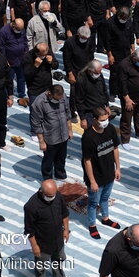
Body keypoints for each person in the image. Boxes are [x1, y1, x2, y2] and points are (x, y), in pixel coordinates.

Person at [82, 107, 122, 239]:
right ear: (94, 120)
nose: (105, 122)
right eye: (102, 120)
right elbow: (87, 161)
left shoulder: (110, 129)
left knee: (105, 198)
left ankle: (105, 218)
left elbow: (115, 148)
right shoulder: (88, 137)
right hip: (96, 177)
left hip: (109, 173)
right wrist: (92, 181)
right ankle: (92, 224)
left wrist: (118, 168)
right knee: (93, 203)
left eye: (107, 119)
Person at [24, 179, 71, 277]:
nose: (52, 198)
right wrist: (34, 246)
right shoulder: (31, 206)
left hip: (58, 239)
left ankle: (59, 276)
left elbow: (65, 214)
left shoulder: (57, 196)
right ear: (41, 192)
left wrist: (66, 230)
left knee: (59, 259)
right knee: (41, 266)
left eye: (53, 195)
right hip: (42, 243)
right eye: (49, 196)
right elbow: (29, 230)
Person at [30, 85, 73, 181]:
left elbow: (67, 113)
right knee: (48, 160)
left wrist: (69, 129)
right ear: (49, 93)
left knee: (61, 157)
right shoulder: (39, 102)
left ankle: (60, 174)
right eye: (56, 99)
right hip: (50, 137)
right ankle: (47, 178)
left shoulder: (63, 97)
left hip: (63, 134)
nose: (58, 101)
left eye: (59, 99)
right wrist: (41, 141)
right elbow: (36, 123)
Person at [118, 48, 139, 150]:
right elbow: (122, 84)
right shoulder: (124, 65)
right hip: (129, 97)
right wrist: (127, 99)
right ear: (134, 58)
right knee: (127, 118)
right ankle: (125, 140)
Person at [76, 60, 111, 130]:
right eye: (97, 73)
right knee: (90, 132)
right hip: (88, 111)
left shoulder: (99, 75)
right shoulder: (81, 80)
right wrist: (82, 118)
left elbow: (104, 90)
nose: (99, 74)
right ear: (90, 71)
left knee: (102, 130)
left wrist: (107, 105)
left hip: (100, 108)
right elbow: (79, 100)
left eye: (100, 72)